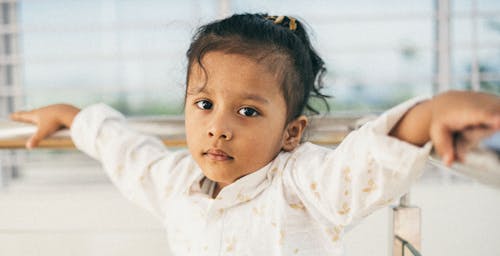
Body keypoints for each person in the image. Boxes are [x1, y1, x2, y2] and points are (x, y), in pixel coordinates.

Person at [10, 13, 500, 255]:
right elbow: (126, 152)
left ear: (291, 132)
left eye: (247, 111)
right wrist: (75, 118)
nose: (218, 126)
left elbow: (365, 160)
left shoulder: (301, 183)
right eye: (203, 104)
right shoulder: (177, 182)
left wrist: (432, 111)